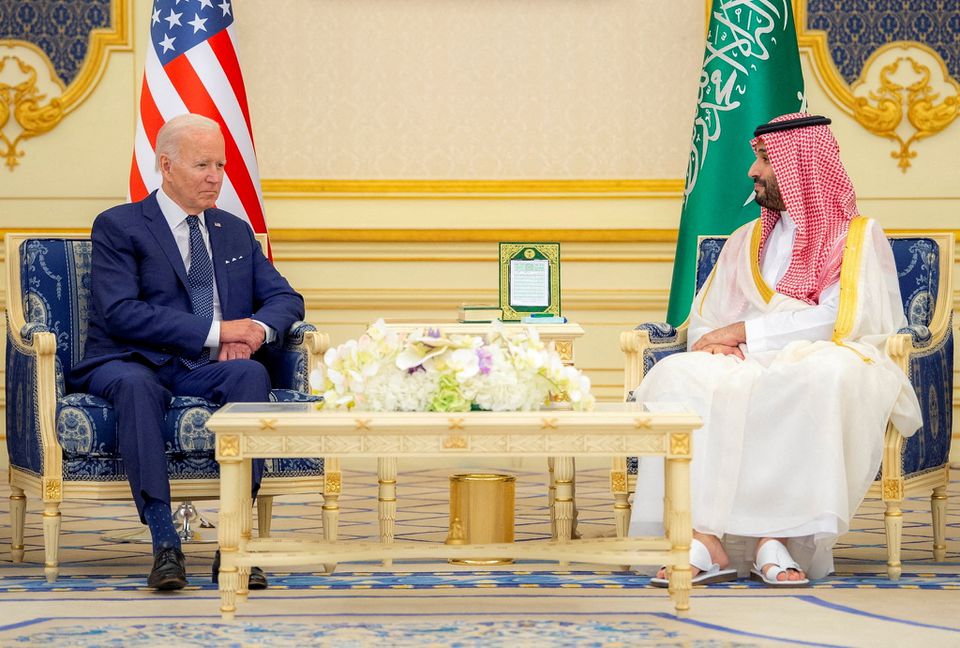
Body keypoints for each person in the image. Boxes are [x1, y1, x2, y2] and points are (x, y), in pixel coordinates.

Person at [629, 113, 922, 586]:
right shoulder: (747, 239)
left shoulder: (856, 238)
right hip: (748, 356)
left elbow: (839, 318)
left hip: (827, 351)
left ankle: (777, 537)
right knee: (679, 375)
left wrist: (746, 334)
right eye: (756, 157)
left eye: (764, 158)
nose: (753, 170)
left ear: (800, 166)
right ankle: (703, 537)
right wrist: (725, 344)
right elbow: (710, 316)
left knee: (814, 375)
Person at [71, 114, 304, 590]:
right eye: (203, 165)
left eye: (220, 164)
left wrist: (255, 331)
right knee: (136, 387)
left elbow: (287, 299)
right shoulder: (120, 226)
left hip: (205, 368)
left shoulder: (233, 231)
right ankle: (165, 545)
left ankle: (233, 545)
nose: (216, 177)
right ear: (166, 166)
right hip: (132, 361)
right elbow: (121, 313)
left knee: (251, 377)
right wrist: (220, 332)